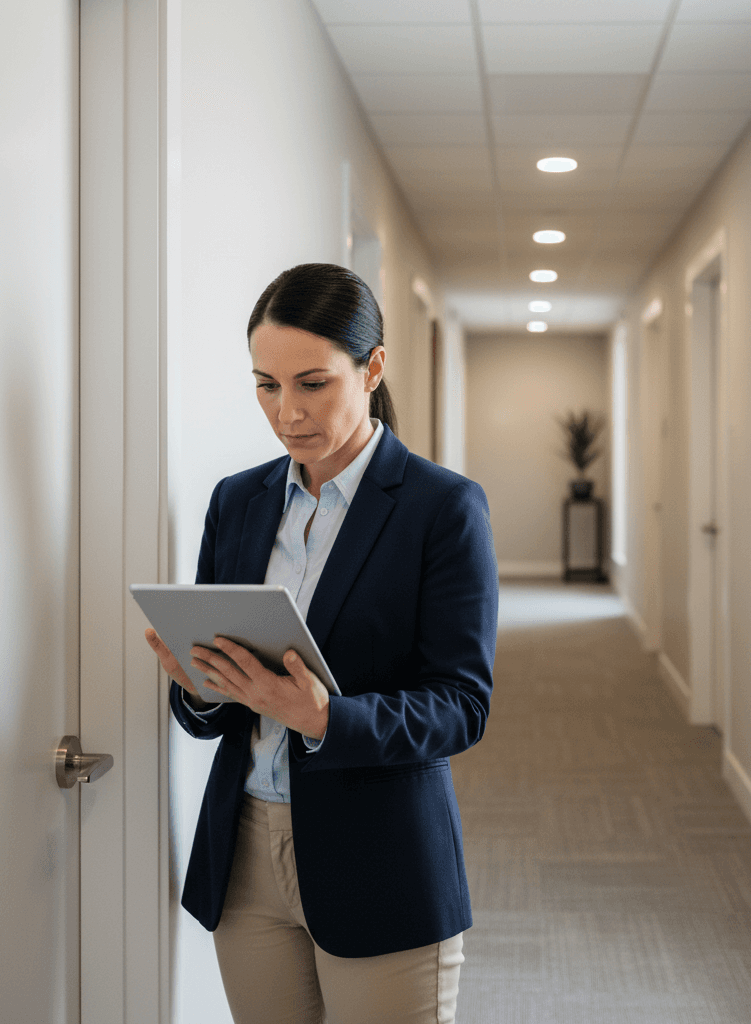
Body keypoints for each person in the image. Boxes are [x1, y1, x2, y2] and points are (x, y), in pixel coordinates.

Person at [145, 263, 498, 1024]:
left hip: (381, 854)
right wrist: (199, 683)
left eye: (312, 384)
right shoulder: (237, 501)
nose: (286, 413)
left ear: (372, 368)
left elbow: (462, 706)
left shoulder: (443, 508)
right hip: (245, 852)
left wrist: (322, 718)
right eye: (266, 385)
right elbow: (217, 713)